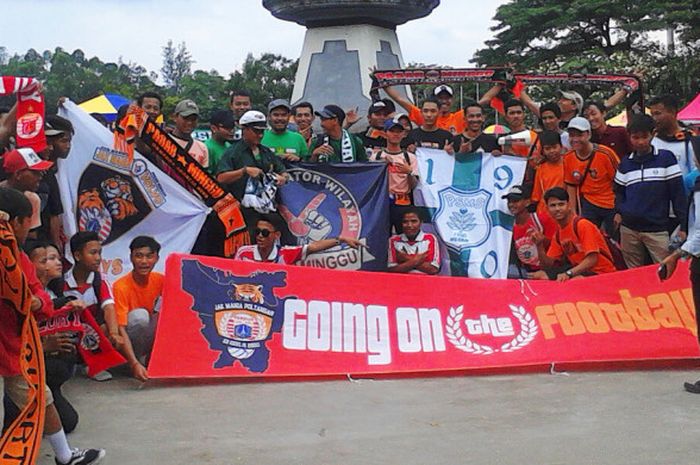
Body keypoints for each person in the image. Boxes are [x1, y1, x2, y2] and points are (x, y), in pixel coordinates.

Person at [0, 187, 105, 465]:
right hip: (14, 347)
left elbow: (42, 299)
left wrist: (37, 303)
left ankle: (64, 455)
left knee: (42, 398)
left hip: (17, 349)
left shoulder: (19, 259)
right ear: (18, 223)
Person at [614, 114, 687, 268]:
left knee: (666, 270)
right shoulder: (625, 163)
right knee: (633, 273)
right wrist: (620, 211)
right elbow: (619, 192)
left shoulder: (665, 159)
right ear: (630, 137)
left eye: (644, 137)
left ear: (653, 134)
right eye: (635, 137)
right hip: (629, 229)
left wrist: (684, 226)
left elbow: (677, 194)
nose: (640, 142)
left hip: (657, 229)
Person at [217, 110, 288, 239]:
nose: (260, 135)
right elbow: (221, 178)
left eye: (262, 131)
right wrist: (244, 171)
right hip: (242, 211)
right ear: (245, 129)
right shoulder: (233, 152)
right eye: (256, 131)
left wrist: (282, 178)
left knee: (282, 233)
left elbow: (283, 171)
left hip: (267, 209)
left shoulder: (265, 151)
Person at [64, 231, 122, 381]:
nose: (98, 258)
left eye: (99, 253)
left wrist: (114, 333)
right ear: (77, 256)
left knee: (106, 327)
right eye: (93, 253)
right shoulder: (61, 282)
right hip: (69, 334)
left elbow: (109, 307)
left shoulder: (99, 280)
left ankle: (93, 364)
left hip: (91, 333)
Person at [533, 187, 616, 280]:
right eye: (553, 205)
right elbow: (547, 266)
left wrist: (569, 273)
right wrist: (539, 246)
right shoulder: (558, 235)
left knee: (574, 281)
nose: (557, 209)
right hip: (581, 270)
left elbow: (592, 259)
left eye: (561, 204)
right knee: (539, 276)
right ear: (547, 209)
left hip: (601, 272)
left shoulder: (582, 225)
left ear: (568, 205)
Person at [112, 236, 164, 382]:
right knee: (140, 316)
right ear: (131, 257)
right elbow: (121, 329)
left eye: (149, 256)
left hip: (147, 338)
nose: (144, 261)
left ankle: (153, 360)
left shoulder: (161, 280)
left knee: (166, 315)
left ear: (157, 258)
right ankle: (132, 363)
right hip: (129, 340)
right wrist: (134, 363)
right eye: (139, 256)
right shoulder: (121, 286)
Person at [563, 117, 619, 236]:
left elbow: (620, 181)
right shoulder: (568, 158)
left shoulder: (605, 154)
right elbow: (571, 186)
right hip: (588, 204)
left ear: (588, 134)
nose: (575, 139)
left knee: (614, 241)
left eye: (579, 135)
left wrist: (620, 211)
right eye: (572, 135)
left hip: (611, 204)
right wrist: (573, 213)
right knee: (588, 237)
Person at [234, 215, 362, 264]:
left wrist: (342, 239)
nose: (260, 236)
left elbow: (314, 247)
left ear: (277, 235)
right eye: (257, 232)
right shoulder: (243, 252)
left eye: (265, 233)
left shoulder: (285, 253)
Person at [371, 116, 419, 232]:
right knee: (381, 235)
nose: (395, 134)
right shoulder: (376, 157)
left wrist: (409, 172)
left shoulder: (410, 158)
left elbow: (414, 186)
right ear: (385, 133)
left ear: (404, 134)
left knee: (403, 237)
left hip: (403, 202)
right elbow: (371, 183)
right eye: (392, 131)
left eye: (399, 132)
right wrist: (381, 167)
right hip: (382, 202)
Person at [503, 185, 557, 279]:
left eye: (515, 201)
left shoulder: (541, 220)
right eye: (509, 201)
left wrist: (541, 240)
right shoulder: (509, 227)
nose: (511, 204)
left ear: (527, 202)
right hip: (525, 271)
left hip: (549, 269)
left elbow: (557, 246)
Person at [1, 147, 52, 233]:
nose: (40, 176)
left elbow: (31, 239)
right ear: (18, 174)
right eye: (35, 172)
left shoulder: (32, 199)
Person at [383, 83, 466, 134]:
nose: (444, 101)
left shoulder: (459, 117)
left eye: (447, 98)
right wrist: (384, 84)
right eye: (440, 98)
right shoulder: (426, 116)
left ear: (453, 100)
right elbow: (399, 99)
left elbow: (478, 105)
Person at [650, 94, 697, 178]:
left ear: (672, 112)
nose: (654, 118)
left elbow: (696, 172)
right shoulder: (652, 141)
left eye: (658, 113)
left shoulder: (691, 140)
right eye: (652, 114)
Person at [387, 208, 440, 274]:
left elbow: (433, 269)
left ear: (421, 222)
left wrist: (405, 258)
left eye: (414, 221)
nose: (409, 225)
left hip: (425, 282)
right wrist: (418, 260)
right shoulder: (394, 240)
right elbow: (392, 270)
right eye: (405, 222)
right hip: (401, 281)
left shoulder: (430, 238)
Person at [531, 130, 565, 217]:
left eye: (554, 147)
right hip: (545, 213)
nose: (552, 151)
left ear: (561, 146)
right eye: (547, 149)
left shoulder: (569, 164)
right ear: (543, 151)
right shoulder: (540, 169)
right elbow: (536, 196)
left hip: (564, 209)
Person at [170, 99, 209, 169]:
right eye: (185, 118)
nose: (189, 123)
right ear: (175, 117)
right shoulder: (163, 140)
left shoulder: (202, 148)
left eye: (193, 119)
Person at [205, 110, 235, 175]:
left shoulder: (229, 146)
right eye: (227, 128)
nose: (232, 131)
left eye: (232, 127)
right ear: (214, 128)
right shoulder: (207, 148)